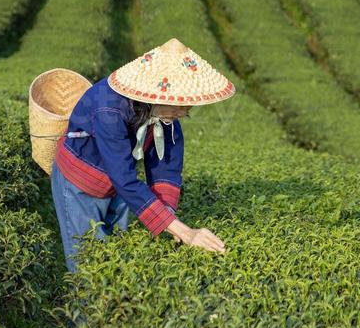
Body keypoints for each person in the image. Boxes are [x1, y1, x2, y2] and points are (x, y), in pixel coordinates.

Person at [49, 37, 233, 272]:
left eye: (187, 104)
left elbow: (167, 166)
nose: (185, 111)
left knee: (117, 256)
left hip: (119, 187)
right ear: (156, 95)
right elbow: (123, 177)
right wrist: (184, 231)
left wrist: (167, 217)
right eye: (179, 105)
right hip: (80, 185)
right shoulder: (108, 109)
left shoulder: (166, 114)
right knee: (88, 264)